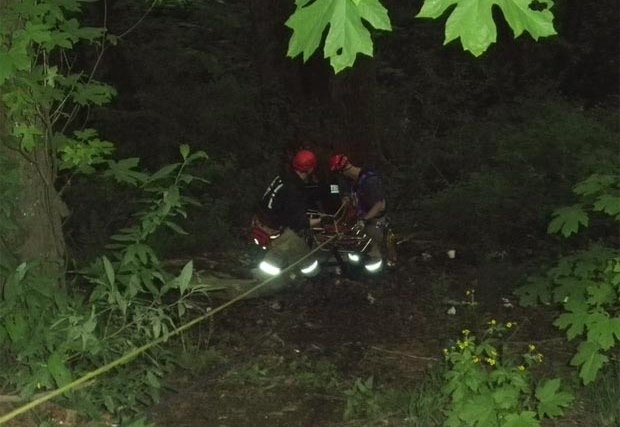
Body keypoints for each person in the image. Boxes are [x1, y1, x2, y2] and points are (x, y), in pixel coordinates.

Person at [252, 149, 322, 280]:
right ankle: (313, 279)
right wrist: (322, 221)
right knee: (305, 257)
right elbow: (300, 223)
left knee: (288, 246)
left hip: (259, 222)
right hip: (274, 231)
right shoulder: (293, 190)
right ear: (311, 169)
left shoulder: (282, 177)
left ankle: (269, 274)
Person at [329, 154, 397, 271]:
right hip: (363, 219)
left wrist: (364, 220)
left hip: (375, 221)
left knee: (377, 247)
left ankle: (384, 269)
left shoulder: (370, 181)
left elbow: (380, 205)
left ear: (342, 171)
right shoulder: (355, 181)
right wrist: (346, 199)